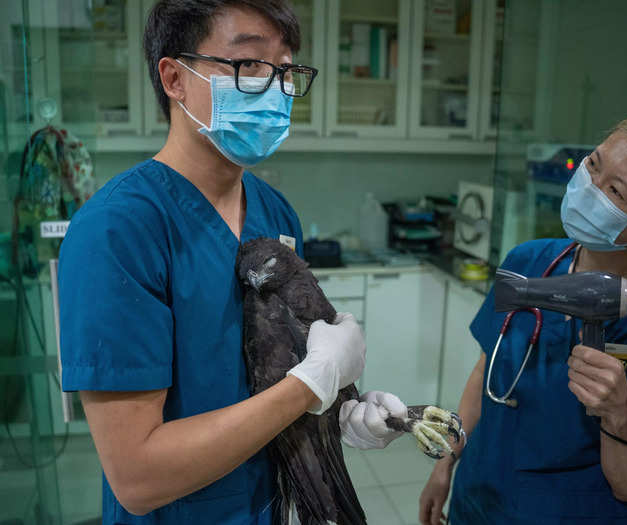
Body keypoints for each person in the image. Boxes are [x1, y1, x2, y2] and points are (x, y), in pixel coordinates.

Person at [58, 1, 404, 523]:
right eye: (250, 65)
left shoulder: (274, 211)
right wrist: (311, 385)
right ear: (175, 78)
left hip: (268, 503)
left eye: (287, 70)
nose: (276, 87)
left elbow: (278, 369)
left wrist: (340, 411)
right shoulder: (118, 230)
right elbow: (137, 476)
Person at [419, 110, 627, 525]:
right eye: (593, 165)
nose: (590, 189)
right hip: (477, 500)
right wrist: (447, 460)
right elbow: (486, 371)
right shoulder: (528, 261)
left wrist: (620, 411)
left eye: (616, 192)